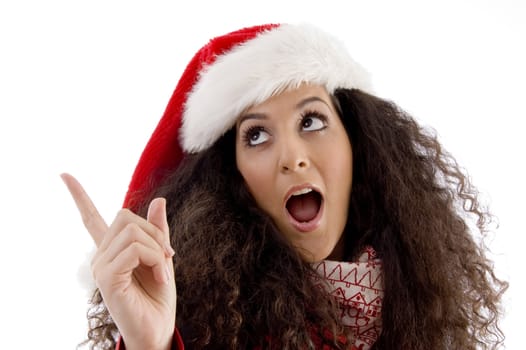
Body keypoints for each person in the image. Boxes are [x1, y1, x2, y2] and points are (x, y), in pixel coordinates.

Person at [62, 23, 508, 349]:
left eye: (311, 120)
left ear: (358, 143)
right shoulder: (216, 330)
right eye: (255, 135)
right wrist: (150, 344)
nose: (291, 157)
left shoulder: (423, 310)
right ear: (233, 179)